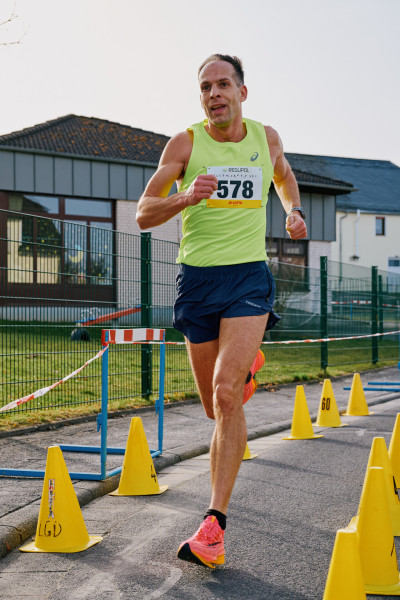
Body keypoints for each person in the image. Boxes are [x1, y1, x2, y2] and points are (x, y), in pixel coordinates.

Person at [136, 53, 307, 569]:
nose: (214, 94)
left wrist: (293, 210)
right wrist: (185, 197)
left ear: (241, 92)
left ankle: (213, 527)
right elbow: (144, 213)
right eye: (206, 87)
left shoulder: (266, 139)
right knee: (214, 408)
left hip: (248, 278)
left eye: (223, 84)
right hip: (198, 281)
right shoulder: (185, 144)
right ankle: (246, 366)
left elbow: (284, 178)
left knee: (226, 394)